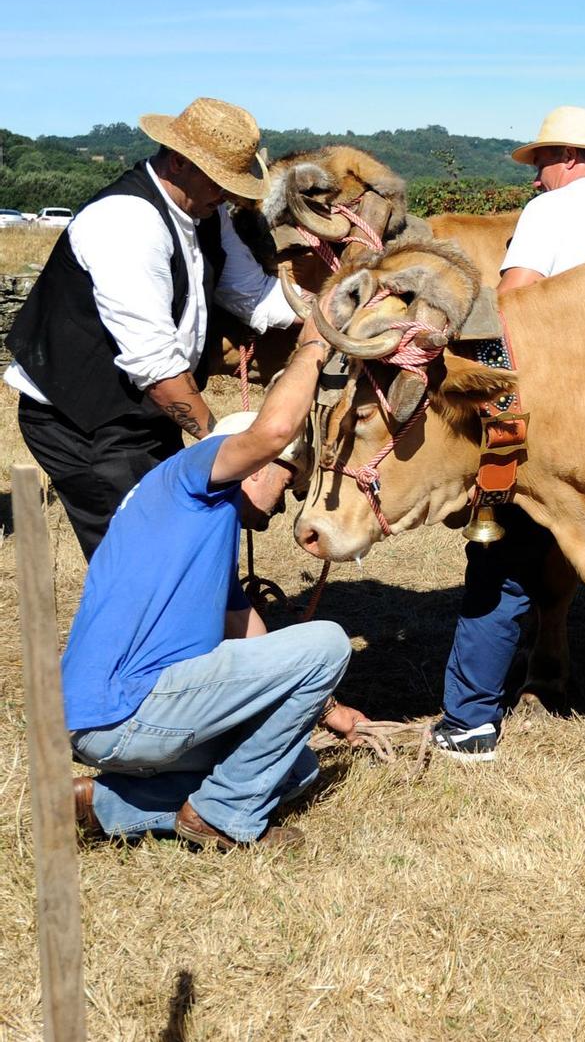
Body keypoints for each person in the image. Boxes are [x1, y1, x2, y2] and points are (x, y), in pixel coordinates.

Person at [65, 315, 369, 849]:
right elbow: (274, 430)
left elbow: (250, 635)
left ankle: (102, 804)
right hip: (128, 708)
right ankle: (222, 817)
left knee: (292, 766)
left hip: (99, 719)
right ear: (257, 463)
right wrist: (315, 343)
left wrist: (335, 714)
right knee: (327, 641)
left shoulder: (190, 526)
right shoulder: (192, 474)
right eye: (290, 479)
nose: (285, 501)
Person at [429, 106, 585, 764]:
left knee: (500, 561)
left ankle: (470, 721)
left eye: (539, 165)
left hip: (544, 419)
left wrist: (488, 407)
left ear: (564, 158)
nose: (534, 179)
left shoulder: (549, 214)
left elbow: (514, 308)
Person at [6, 98, 298, 560]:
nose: (226, 195)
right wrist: (230, 455)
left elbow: (254, 296)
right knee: (145, 562)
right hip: (84, 422)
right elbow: (157, 367)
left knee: (179, 543)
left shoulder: (205, 212)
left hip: (146, 413)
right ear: (179, 162)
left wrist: (334, 313)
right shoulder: (125, 222)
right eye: (219, 181)